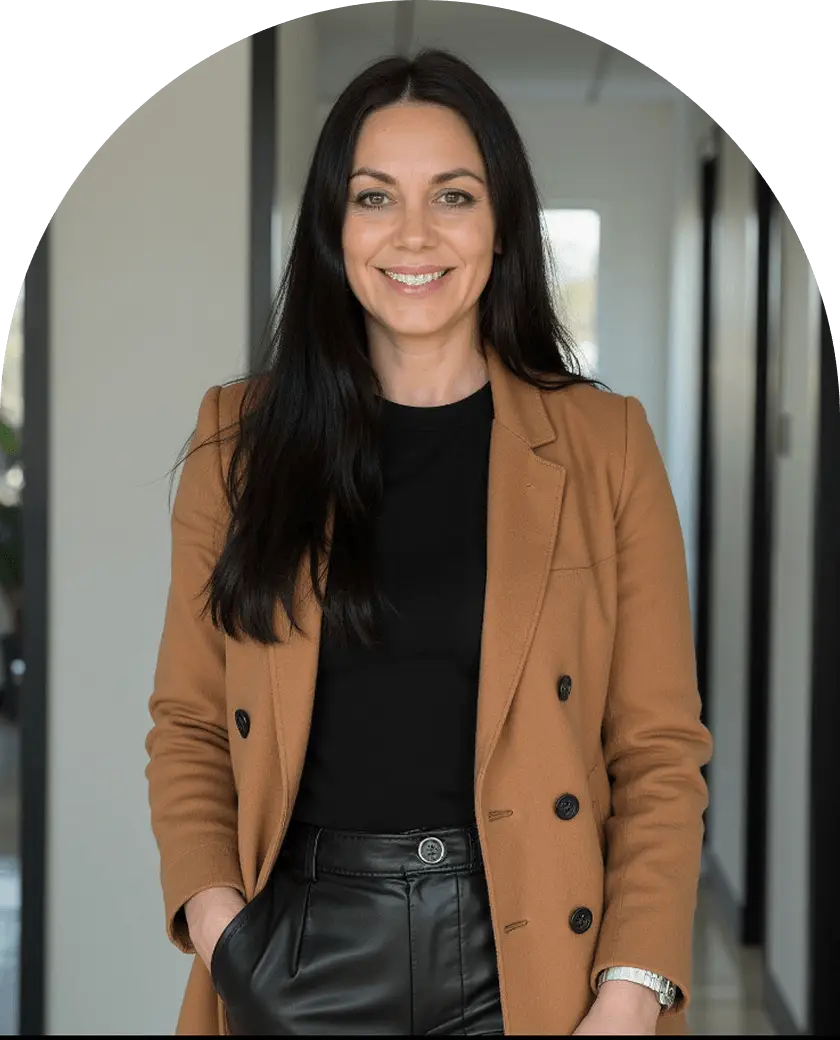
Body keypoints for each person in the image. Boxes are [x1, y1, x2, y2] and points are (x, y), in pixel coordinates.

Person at [145, 47, 712, 1037]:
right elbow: (190, 722)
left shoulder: (606, 444)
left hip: (536, 955)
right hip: (297, 949)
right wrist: (225, 925)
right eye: (374, 197)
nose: (414, 233)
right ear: (333, 224)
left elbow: (660, 748)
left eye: (453, 195)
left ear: (501, 223)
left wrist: (629, 989)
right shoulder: (239, 439)